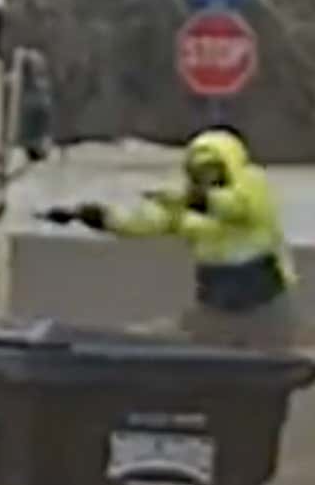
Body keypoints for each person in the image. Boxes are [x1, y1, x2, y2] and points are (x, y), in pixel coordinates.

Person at [41, 128, 298, 350]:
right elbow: (144, 223)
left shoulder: (253, 184)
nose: (206, 179)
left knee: (265, 356)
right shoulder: (185, 205)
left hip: (265, 301)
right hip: (217, 301)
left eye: (212, 170)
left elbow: (241, 208)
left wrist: (198, 201)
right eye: (199, 173)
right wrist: (99, 217)